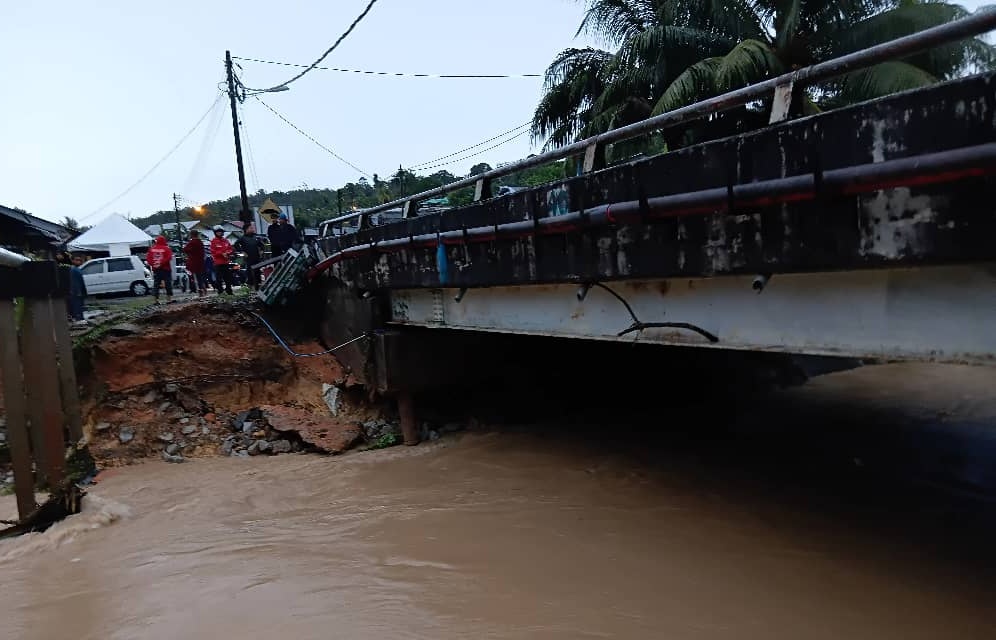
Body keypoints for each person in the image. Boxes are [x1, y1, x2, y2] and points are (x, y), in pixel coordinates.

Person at [234, 224, 265, 291]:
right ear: (246, 229)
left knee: (257, 273)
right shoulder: (243, 238)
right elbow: (236, 245)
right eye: (251, 228)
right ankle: (250, 287)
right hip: (248, 259)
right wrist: (242, 252)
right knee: (250, 273)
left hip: (256, 258)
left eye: (252, 228)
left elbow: (262, 245)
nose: (252, 229)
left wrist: (261, 251)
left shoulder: (255, 237)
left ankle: (258, 288)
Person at [147, 235, 174, 304]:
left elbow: (148, 259)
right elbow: (169, 257)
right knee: (168, 283)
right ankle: (169, 299)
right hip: (166, 269)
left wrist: (154, 264)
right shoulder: (167, 249)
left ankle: (156, 300)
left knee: (156, 284)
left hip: (156, 269)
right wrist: (161, 263)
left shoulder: (151, 249)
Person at [209, 225, 235, 295]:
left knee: (228, 278)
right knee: (219, 279)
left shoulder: (225, 240)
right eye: (218, 232)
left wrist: (228, 253)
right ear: (215, 233)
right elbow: (213, 251)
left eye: (221, 232)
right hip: (218, 263)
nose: (220, 233)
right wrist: (221, 253)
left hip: (226, 262)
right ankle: (220, 291)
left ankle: (229, 291)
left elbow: (230, 249)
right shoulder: (213, 241)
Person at [183, 230, 209, 297]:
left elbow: (185, 249)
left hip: (193, 263)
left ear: (191, 235)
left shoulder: (192, 242)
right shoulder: (200, 242)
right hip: (200, 262)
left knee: (193, 277)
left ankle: (200, 291)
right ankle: (204, 289)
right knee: (200, 277)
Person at [68, 255, 87, 321]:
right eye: (76, 260)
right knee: (77, 307)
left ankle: (80, 318)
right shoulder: (73, 270)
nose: (78, 262)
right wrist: (78, 292)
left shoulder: (77, 269)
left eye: (80, 260)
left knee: (80, 306)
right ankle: (79, 319)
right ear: (72, 261)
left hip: (79, 291)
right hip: (76, 292)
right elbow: (75, 282)